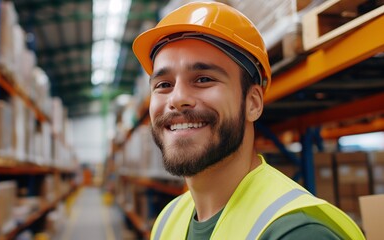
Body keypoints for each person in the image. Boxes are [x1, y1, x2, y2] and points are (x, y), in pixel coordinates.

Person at [132, 2, 365, 239]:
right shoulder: (167, 220)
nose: (177, 98)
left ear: (253, 103)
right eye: (163, 85)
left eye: (203, 79)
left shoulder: (297, 232)